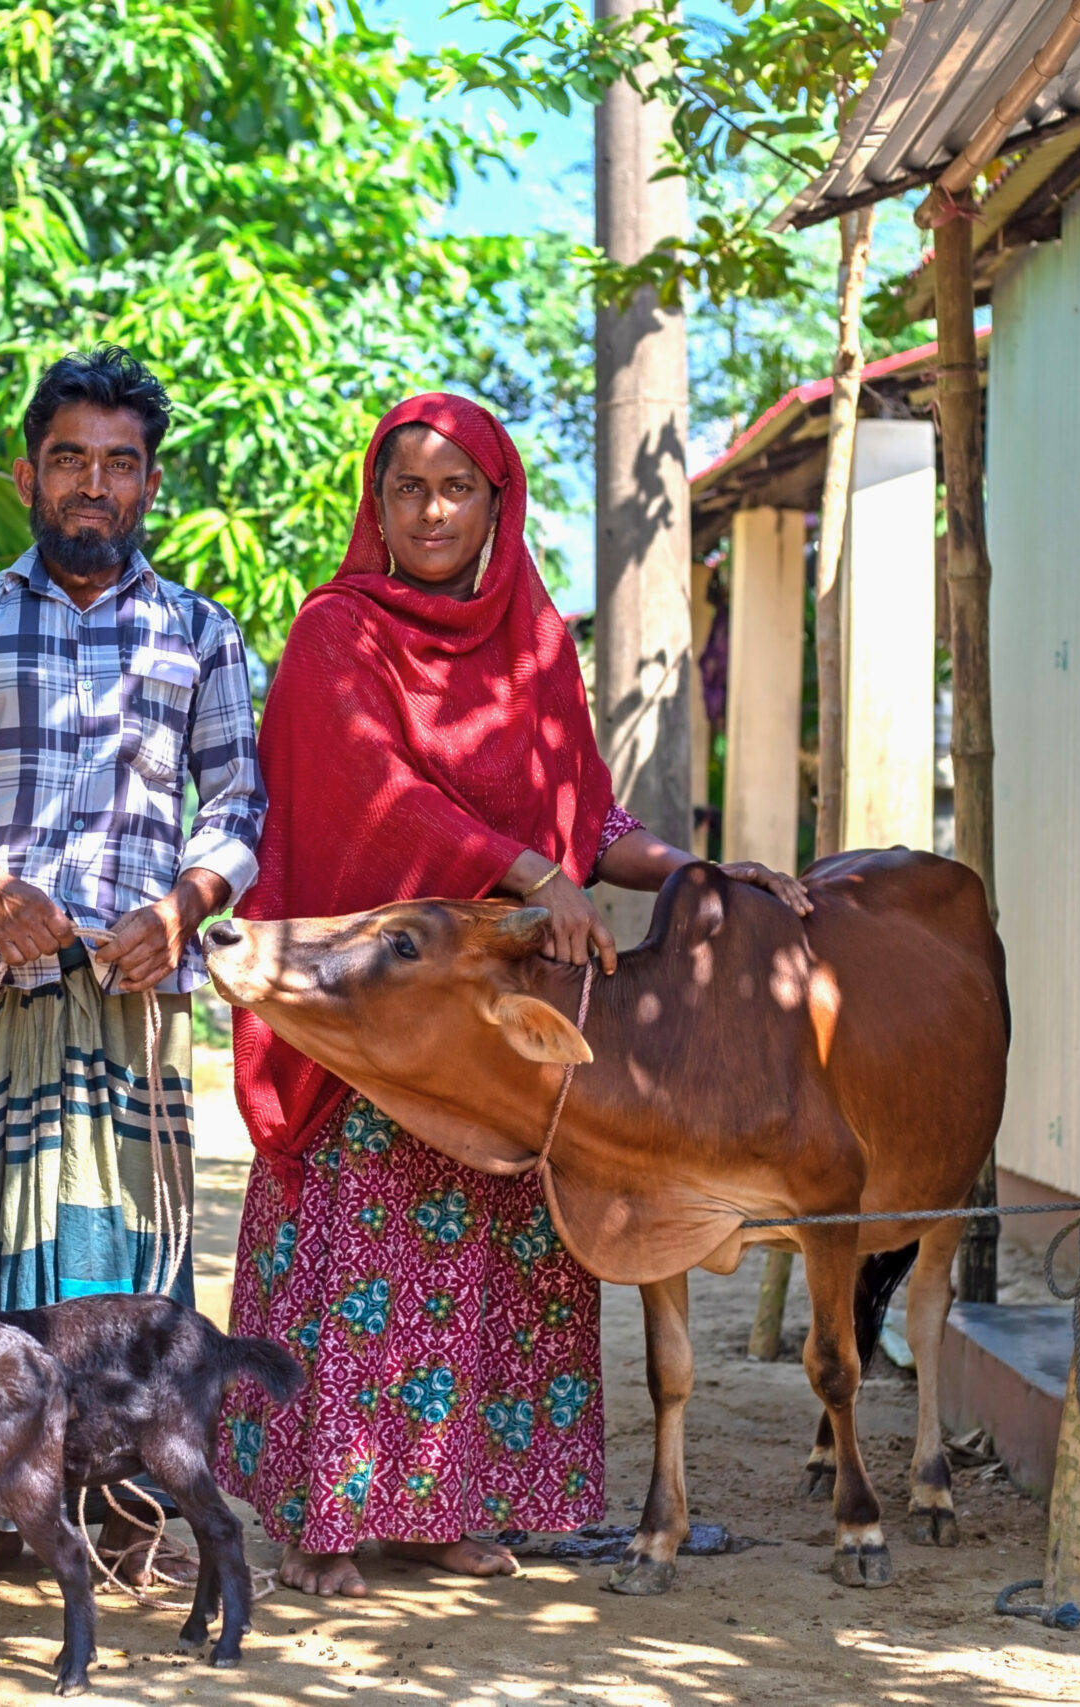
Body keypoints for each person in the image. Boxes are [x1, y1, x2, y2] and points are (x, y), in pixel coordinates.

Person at [216, 393, 808, 1598]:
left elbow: (584, 810)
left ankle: (447, 1509)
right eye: (406, 489)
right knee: (364, 1238)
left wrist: (693, 868)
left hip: (511, 1025)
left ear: (498, 502)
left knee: (497, 1249)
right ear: (374, 504)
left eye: (455, 489)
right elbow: (378, 796)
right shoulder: (336, 634)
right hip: (388, 1018)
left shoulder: (533, 642)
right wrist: (529, 870)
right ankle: (323, 1514)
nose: (429, 513)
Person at [0, 346, 267, 1573]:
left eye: (119, 464)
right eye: (70, 461)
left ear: (150, 483)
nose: (92, 485)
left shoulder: (201, 638)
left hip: (135, 1001)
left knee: (126, 1259)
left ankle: (122, 1508)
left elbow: (241, 808)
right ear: (27, 475)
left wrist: (186, 903)